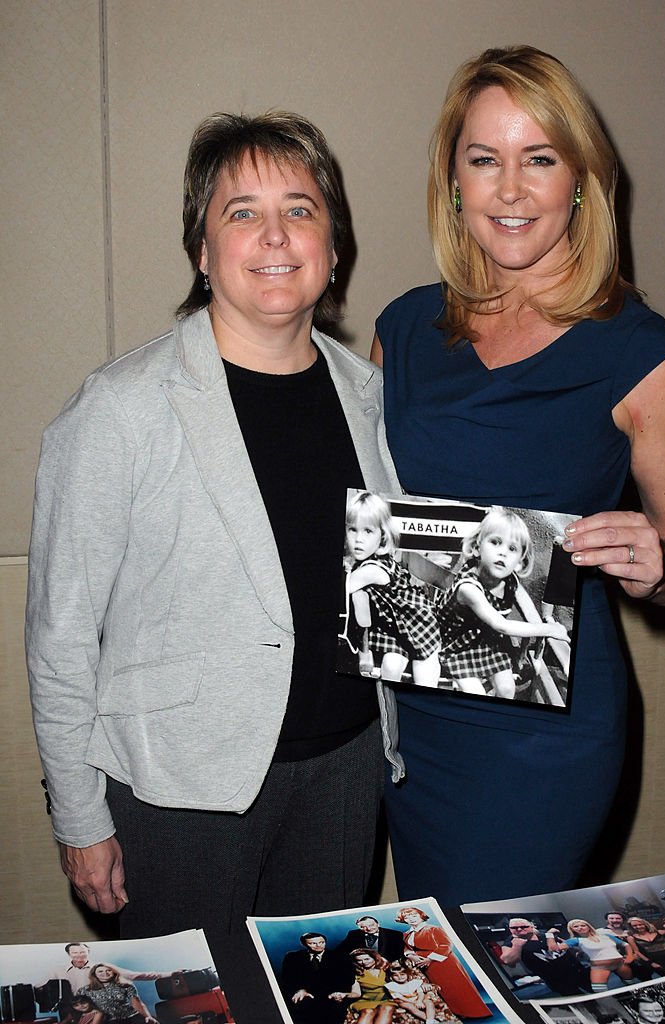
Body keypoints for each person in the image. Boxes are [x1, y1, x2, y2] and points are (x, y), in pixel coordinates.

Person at [26, 111, 404, 935]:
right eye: (242, 213)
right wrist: (80, 819)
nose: (275, 234)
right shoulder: (119, 409)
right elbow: (60, 634)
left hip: (344, 774)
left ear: (333, 247)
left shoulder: (368, 392)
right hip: (180, 796)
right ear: (203, 252)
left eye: (301, 209)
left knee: (318, 992)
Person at [371, 44, 665, 904]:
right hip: (405, 714)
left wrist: (663, 561)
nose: (512, 189)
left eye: (540, 159)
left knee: (500, 959)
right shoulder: (404, 329)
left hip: (544, 734)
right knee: (434, 953)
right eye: (484, 160)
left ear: (580, 181)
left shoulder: (640, 352)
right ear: (454, 179)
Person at [436, 505, 568, 696]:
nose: (503, 553)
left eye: (512, 549)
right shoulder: (468, 588)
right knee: (475, 693)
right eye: (495, 542)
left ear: (520, 561)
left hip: (488, 642)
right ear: (476, 548)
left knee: (507, 689)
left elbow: (530, 612)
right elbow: (502, 626)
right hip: (458, 647)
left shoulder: (510, 580)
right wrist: (550, 629)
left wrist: (544, 631)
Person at [343, 490, 441, 685]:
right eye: (352, 529)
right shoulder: (370, 559)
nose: (359, 539)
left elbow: (342, 589)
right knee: (391, 666)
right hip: (391, 627)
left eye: (368, 531)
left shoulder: (371, 570)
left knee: (425, 676)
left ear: (382, 536)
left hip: (417, 625)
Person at [395, 907, 489, 1019]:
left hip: (444, 962)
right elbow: (406, 949)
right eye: (407, 917)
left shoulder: (434, 929)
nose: (411, 919)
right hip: (424, 965)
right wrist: (412, 956)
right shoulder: (406, 934)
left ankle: (474, 1012)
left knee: (457, 987)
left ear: (421, 916)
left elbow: (446, 945)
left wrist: (429, 959)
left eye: (414, 916)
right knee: (444, 990)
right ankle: (457, 1012)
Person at [498, 918, 587, 997]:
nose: (519, 929)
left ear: (531, 926)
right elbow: (508, 961)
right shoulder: (510, 942)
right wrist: (517, 946)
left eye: (523, 926)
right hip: (558, 980)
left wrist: (577, 950)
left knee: (594, 989)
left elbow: (564, 944)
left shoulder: (544, 933)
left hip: (577, 969)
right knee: (579, 1001)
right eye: (514, 928)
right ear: (510, 929)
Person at [41, 943, 165, 995]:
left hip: (99, 1008)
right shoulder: (57, 970)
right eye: (75, 953)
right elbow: (39, 987)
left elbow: (134, 975)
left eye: (82, 952)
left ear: (88, 952)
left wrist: (168, 974)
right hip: (70, 1010)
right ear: (68, 954)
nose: (79, 956)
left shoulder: (101, 967)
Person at [281, 934, 353, 1024]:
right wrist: (299, 990)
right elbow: (288, 978)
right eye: (313, 943)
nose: (319, 945)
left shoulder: (340, 957)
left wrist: (337, 994)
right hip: (306, 995)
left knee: (333, 1010)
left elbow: (347, 979)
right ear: (304, 944)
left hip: (331, 995)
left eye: (322, 942)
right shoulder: (293, 957)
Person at [546, 919, 631, 992]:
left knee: (633, 983)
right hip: (600, 967)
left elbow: (625, 945)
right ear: (572, 929)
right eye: (576, 926)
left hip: (620, 964)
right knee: (599, 990)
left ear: (588, 926)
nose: (580, 928)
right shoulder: (575, 940)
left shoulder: (605, 936)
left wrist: (631, 956)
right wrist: (549, 934)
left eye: (583, 925)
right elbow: (554, 949)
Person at [384, 960, 459, 1023]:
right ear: (391, 977)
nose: (400, 977)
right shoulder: (392, 986)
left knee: (429, 1002)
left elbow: (420, 992)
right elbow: (400, 997)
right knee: (407, 1006)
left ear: (407, 974)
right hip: (406, 1000)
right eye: (396, 976)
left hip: (418, 997)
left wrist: (419, 1001)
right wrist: (414, 1003)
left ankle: (430, 1020)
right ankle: (428, 1020)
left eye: (402, 974)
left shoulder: (414, 983)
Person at [78, 964, 156, 1024]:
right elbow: (77, 1007)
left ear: (114, 972)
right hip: (107, 1021)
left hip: (131, 1017)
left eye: (108, 970)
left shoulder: (126, 985)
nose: (105, 973)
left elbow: (137, 1003)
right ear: (94, 975)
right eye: (100, 971)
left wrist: (148, 1016)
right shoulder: (85, 990)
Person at [339, 950, 395, 1024]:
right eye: (359, 960)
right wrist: (344, 994)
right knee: (368, 1011)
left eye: (367, 959)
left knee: (387, 1008)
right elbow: (356, 993)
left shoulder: (386, 970)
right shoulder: (357, 974)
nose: (364, 962)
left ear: (375, 958)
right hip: (365, 1001)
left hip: (386, 1000)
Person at [338, 916, 405, 962]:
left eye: (371, 925)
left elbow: (400, 954)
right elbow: (342, 950)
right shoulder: (353, 934)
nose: (369, 929)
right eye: (363, 927)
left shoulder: (395, 934)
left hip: (387, 966)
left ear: (378, 924)